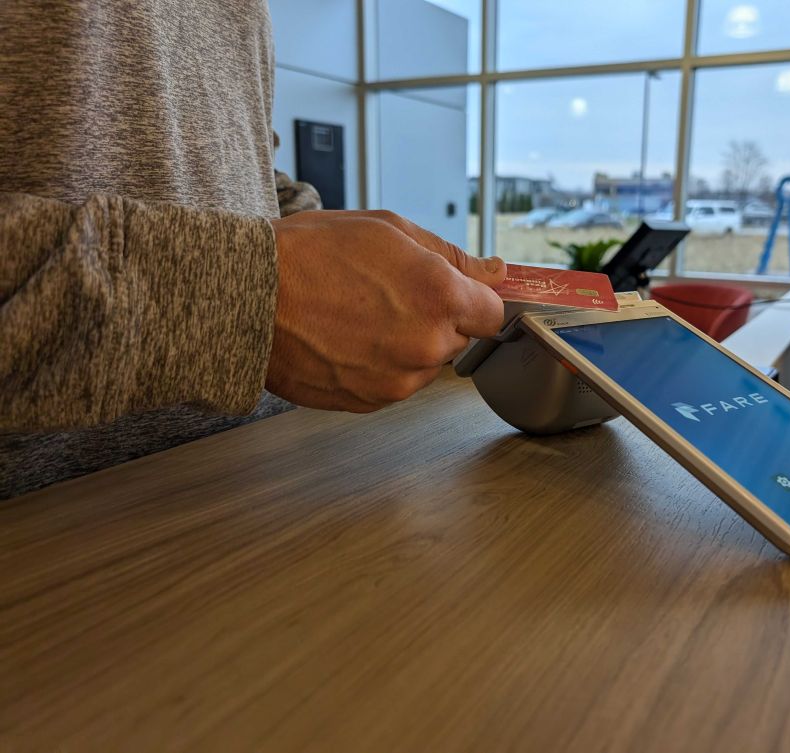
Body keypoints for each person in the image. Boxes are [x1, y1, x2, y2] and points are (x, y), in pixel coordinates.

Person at [0, 1, 506, 499]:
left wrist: (338, 251)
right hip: (46, 528)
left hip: (267, 480)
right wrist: (253, 296)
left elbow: (242, 165)